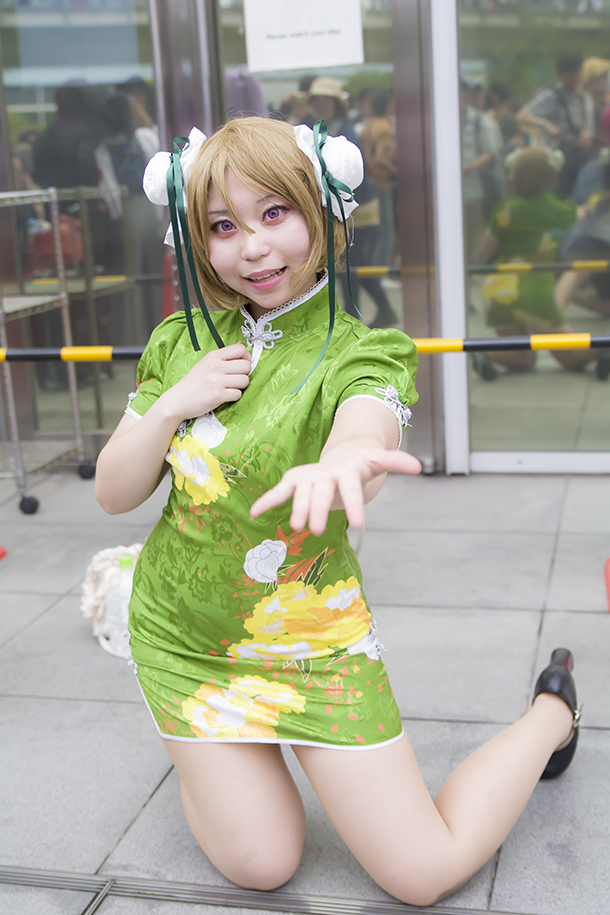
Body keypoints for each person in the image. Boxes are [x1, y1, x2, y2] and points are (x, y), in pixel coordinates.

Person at [95, 117, 581, 907]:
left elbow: (366, 422)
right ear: (195, 240)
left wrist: (345, 458)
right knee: (263, 862)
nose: (253, 247)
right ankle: (213, 756)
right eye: (223, 226)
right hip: (184, 637)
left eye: (274, 212)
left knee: (422, 873)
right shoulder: (179, 342)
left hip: (312, 641)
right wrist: (173, 402)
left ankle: (553, 712)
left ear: (323, 210)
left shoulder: (361, 349)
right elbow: (114, 491)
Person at [478, 147, 597, 376]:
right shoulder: (563, 211)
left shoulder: (505, 210)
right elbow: (580, 217)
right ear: (551, 176)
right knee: (571, 356)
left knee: (524, 357)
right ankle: (603, 350)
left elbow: (485, 250)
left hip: (499, 291)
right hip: (536, 293)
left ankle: (485, 355)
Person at [307, 77, 397, 327]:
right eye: (316, 99)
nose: (321, 104)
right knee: (353, 263)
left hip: (357, 208)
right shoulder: (315, 128)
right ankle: (378, 312)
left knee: (349, 263)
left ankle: (353, 318)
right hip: (338, 208)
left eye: (326, 99)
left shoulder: (345, 130)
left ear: (336, 103)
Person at [516, 54, 594, 199]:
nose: (577, 77)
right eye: (573, 73)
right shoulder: (551, 95)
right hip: (559, 155)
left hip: (577, 154)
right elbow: (522, 115)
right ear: (562, 75)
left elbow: (576, 124)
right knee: (561, 195)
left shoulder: (577, 97)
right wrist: (546, 125)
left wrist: (584, 133)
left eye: (578, 72)